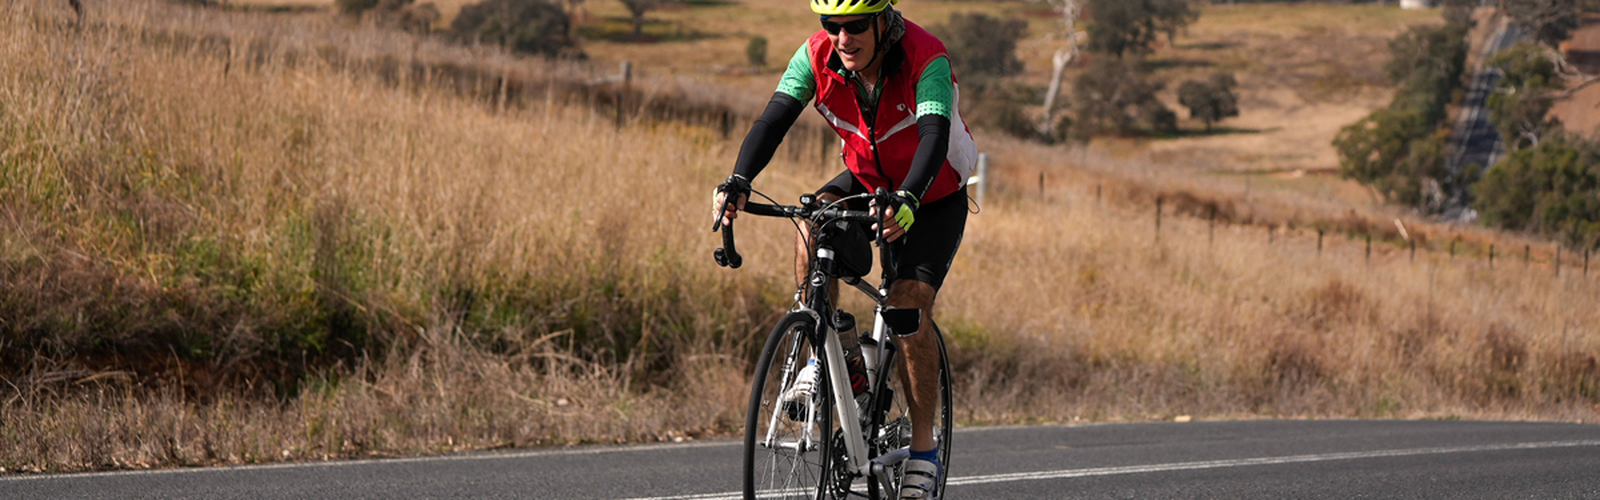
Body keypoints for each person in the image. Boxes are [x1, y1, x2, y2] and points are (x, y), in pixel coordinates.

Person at [712, 0, 976, 496]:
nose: (842, 37)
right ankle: (824, 354)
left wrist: (909, 199)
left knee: (907, 307)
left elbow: (933, 136)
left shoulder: (926, 58)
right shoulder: (815, 56)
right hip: (867, 178)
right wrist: (739, 179)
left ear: (883, 22)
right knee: (811, 225)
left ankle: (923, 451)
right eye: (830, 25)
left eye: (854, 25)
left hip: (933, 192)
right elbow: (774, 119)